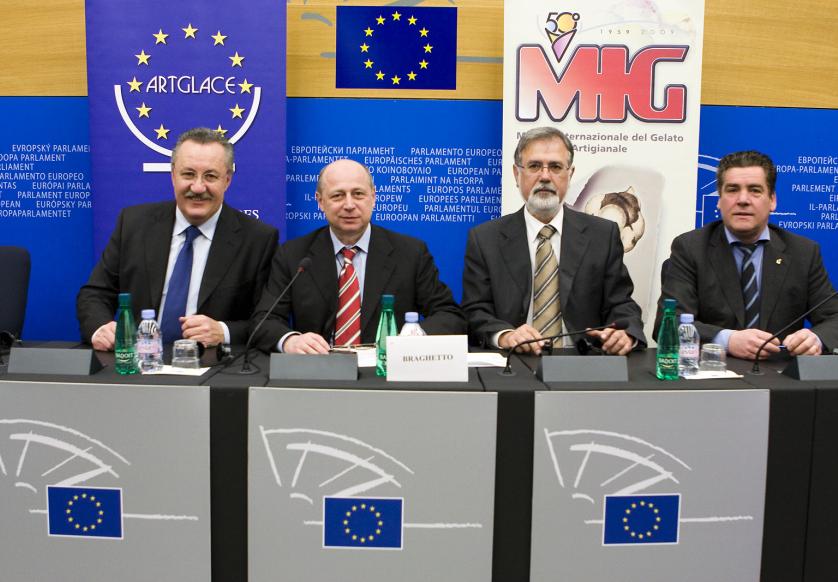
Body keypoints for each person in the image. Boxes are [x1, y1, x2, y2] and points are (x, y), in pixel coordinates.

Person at [77, 127, 278, 349]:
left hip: (212, 363)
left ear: (227, 180)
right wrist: (100, 329)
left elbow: (266, 321)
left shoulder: (257, 240)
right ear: (173, 175)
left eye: (210, 176)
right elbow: (95, 294)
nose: (198, 187)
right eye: (188, 174)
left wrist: (223, 331)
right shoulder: (134, 224)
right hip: (140, 361)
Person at [250, 158, 465, 354]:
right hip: (318, 371)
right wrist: (290, 341)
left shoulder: (410, 253)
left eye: (358, 194)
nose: (349, 205)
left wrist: (415, 339)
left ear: (373, 197)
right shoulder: (293, 255)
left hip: (386, 371)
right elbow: (264, 321)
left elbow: (449, 315)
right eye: (337, 195)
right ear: (320, 201)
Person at [462, 126, 646, 355]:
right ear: (516, 174)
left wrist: (625, 333)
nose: (545, 176)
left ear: (570, 174)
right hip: (515, 360)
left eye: (556, 167)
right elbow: (475, 311)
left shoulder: (602, 235)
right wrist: (506, 335)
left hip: (583, 361)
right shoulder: (485, 239)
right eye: (534, 166)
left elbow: (621, 304)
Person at [655, 150, 838, 359]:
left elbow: (834, 317)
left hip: (780, 372)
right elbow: (668, 323)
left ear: (772, 200)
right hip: (712, 369)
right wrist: (727, 340)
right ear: (719, 199)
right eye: (732, 190)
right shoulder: (690, 248)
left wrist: (816, 338)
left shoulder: (803, 252)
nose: (743, 200)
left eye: (755, 190)